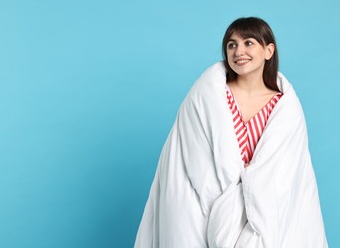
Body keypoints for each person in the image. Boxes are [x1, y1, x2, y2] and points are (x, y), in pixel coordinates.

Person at [134, 17, 328, 248]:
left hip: (261, 217)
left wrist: (253, 183)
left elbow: (287, 172)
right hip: (200, 211)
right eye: (232, 44)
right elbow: (189, 156)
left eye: (248, 43)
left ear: (268, 50)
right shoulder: (207, 96)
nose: (239, 51)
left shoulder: (284, 107)